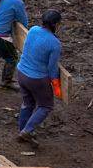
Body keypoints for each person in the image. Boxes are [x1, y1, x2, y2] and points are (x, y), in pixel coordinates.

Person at [16, 10, 63, 146]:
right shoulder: (54, 43)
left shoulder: (33, 30)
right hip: (37, 79)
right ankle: (27, 131)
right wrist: (56, 87)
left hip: (21, 72)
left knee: (28, 103)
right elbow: (52, 68)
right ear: (55, 24)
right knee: (45, 106)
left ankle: (22, 129)